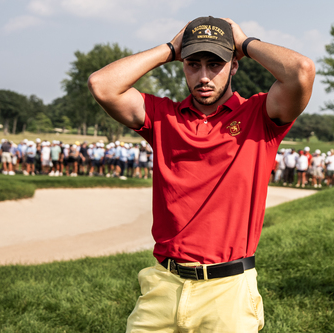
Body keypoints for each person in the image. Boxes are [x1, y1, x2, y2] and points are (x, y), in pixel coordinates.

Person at [88, 16, 315, 332]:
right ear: (182, 65)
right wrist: (170, 48)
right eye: (193, 64)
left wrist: (246, 44)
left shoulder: (258, 116)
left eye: (215, 64)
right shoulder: (163, 116)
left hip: (228, 292)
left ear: (234, 66)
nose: (204, 76)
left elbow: (301, 72)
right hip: (163, 286)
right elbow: (103, 85)